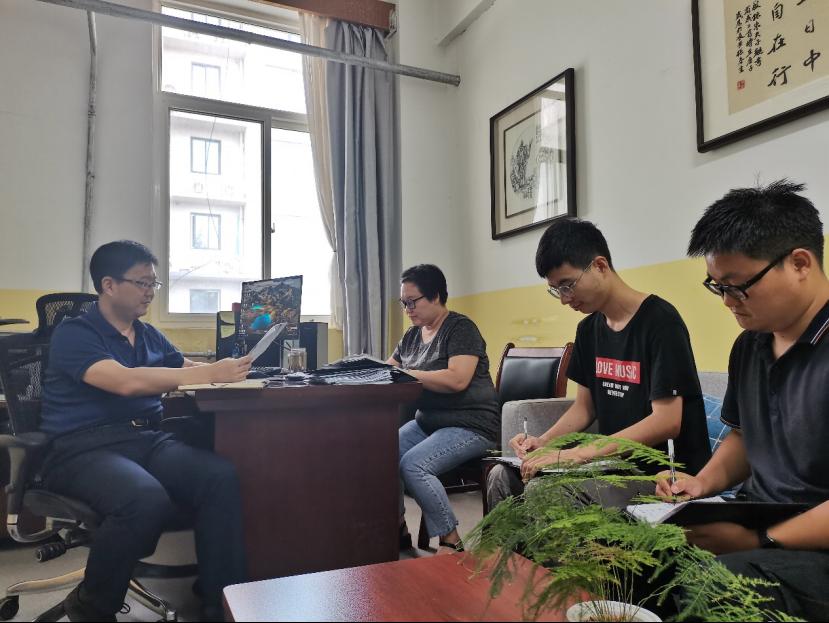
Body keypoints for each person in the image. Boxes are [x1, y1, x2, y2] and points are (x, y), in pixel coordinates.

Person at [39, 240, 252, 622]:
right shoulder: (75, 333)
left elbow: (185, 369)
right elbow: (125, 381)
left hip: (145, 439)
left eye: (154, 283)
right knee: (143, 498)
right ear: (108, 285)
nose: (151, 291)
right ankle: (90, 607)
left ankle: (218, 602)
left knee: (218, 476)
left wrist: (232, 371)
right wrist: (208, 371)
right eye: (142, 283)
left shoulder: (149, 334)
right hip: (82, 448)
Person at [656, 180, 829, 620]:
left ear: (800, 263)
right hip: (757, 517)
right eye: (717, 287)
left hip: (814, 543)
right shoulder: (751, 345)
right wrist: (700, 485)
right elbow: (745, 437)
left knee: (712, 586)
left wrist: (760, 542)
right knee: (629, 551)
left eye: (737, 286)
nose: (727, 303)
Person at [487, 218, 711, 510]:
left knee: (548, 491)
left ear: (600, 266)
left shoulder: (661, 322)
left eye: (568, 285)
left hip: (660, 477)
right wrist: (545, 442)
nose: (564, 299)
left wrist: (578, 454)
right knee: (501, 477)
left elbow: (666, 421)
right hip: (610, 467)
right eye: (556, 290)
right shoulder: (588, 330)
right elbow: (585, 408)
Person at [390, 264, 500, 554]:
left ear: (436, 296)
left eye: (412, 302)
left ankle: (451, 540)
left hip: (472, 424)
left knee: (413, 465)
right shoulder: (412, 336)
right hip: (429, 422)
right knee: (382, 453)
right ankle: (396, 527)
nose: (407, 310)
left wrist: (408, 373)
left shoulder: (460, 328)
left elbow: (457, 379)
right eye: (404, 303)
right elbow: (389, 370)